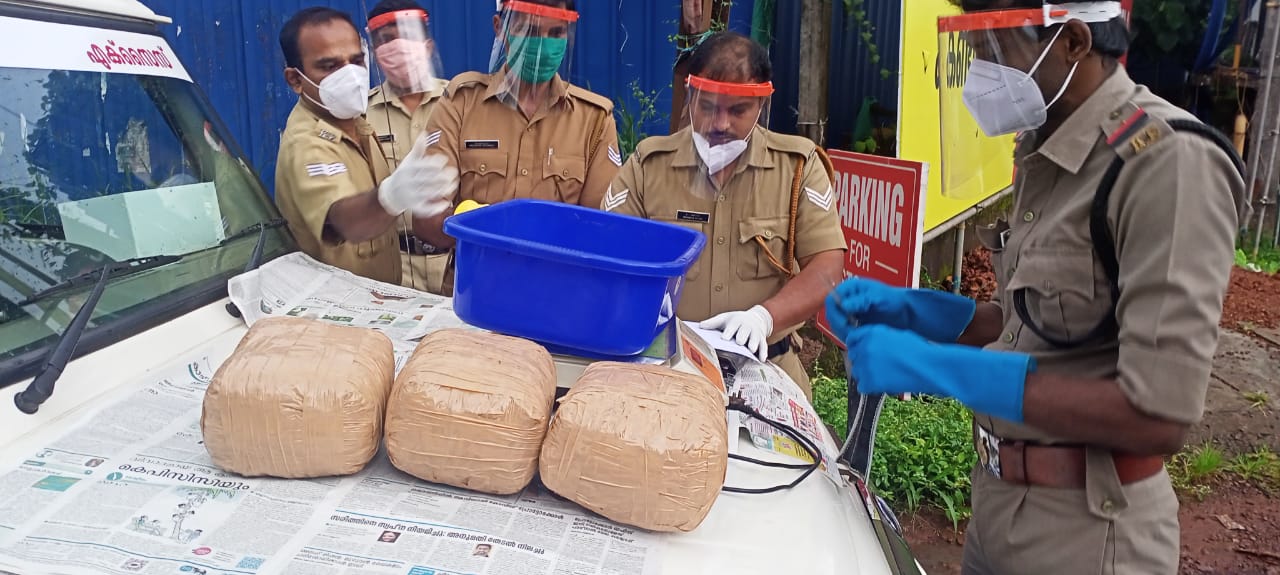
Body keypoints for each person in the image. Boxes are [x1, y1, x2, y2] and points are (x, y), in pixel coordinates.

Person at [825, 2, 1248, 573]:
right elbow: (1035, 322)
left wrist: (939, 369)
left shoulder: (1164, 163)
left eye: (995, 48)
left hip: (1088, 534)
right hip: (999, 511)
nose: (979, 67)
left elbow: (1160, 414)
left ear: (1073, 41)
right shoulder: (1045, 148)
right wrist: (923, 312)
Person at [603, 31, 845, 399]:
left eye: (737, 111)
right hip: (667, 368)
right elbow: (607, 255)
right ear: (689, 95)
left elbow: (827, 268)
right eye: (708, 106)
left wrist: (764, 319)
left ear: (762, 104)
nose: (720, 124)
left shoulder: (797, 168)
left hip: (766, 368)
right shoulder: (648, 167)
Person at [410, 0, 621, 294]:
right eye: (530, 31)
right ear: (500, 28)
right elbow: (425, 219)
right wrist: (477, 227)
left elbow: (601, 230)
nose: (542, 45)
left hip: (556, 297)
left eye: (556, 32)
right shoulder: (461, 104)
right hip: (475, 293)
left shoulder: (593, 120)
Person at [274, 7, 456, 285]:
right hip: (339, 308)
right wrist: (391, 196)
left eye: (357, 60)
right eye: (330, 66)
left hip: (386, 294)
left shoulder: (356, 122)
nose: (350, 75)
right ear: (296, 79)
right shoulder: (306, 142)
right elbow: (343, 221)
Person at [365, 0, 453, 294]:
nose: (398, 46)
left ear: (427, 45)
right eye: (387, 40)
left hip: (454, 263)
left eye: (407, 35)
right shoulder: (361, 115)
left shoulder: (459, 104)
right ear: (376, 53)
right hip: (392, 268)